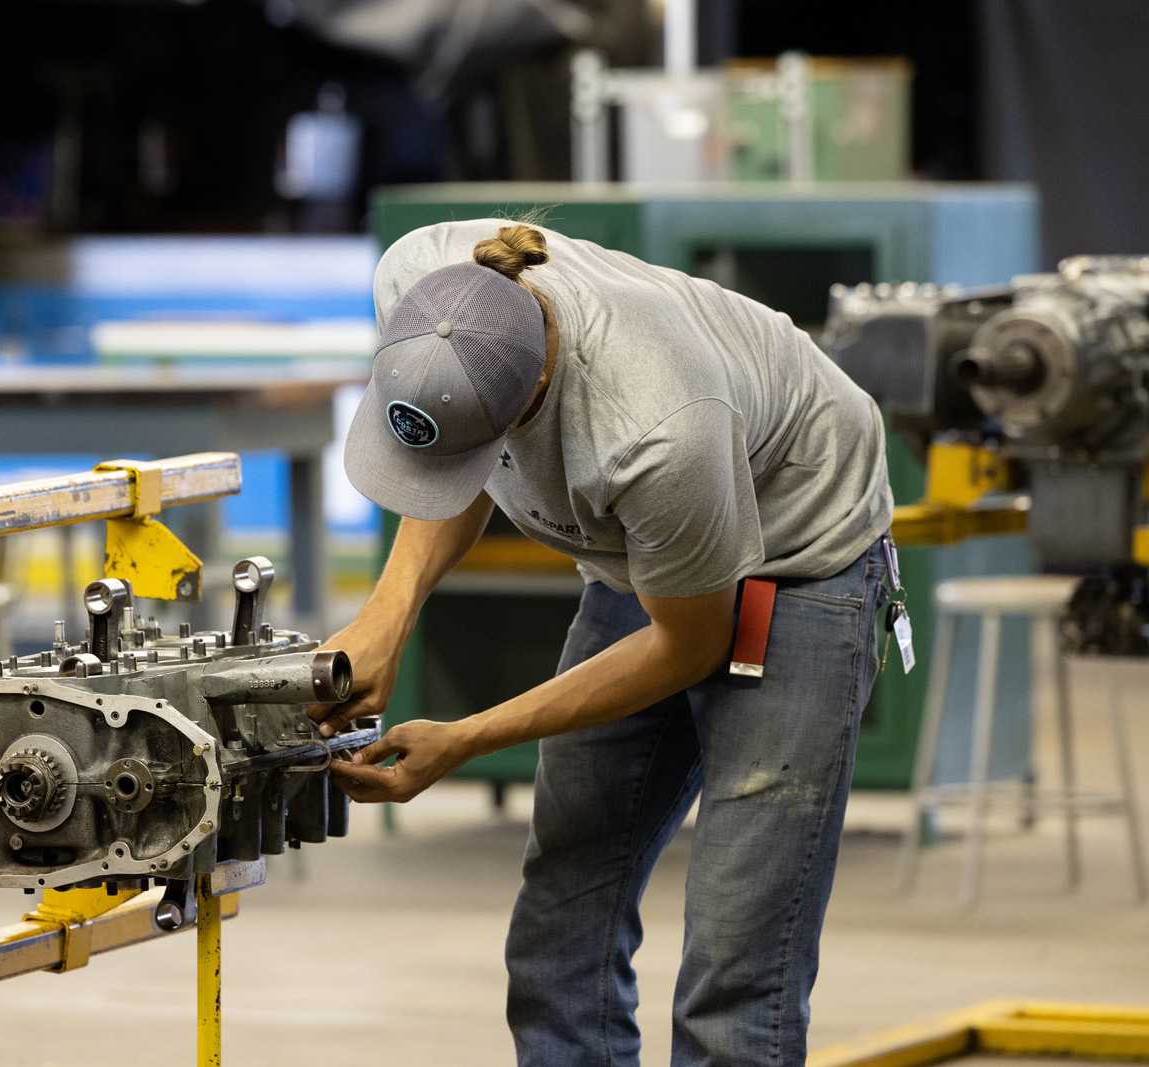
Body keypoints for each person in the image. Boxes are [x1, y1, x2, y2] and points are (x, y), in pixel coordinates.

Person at [316, 219, 896, 1066]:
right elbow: (457, 459)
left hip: (796, 558)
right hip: (654, 563)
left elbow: (686, 646)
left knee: (735, 966)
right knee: (560, 926)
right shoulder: (421, 275)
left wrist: (469, 737)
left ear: (536, 395)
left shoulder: (655, 429)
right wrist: (384, 618)